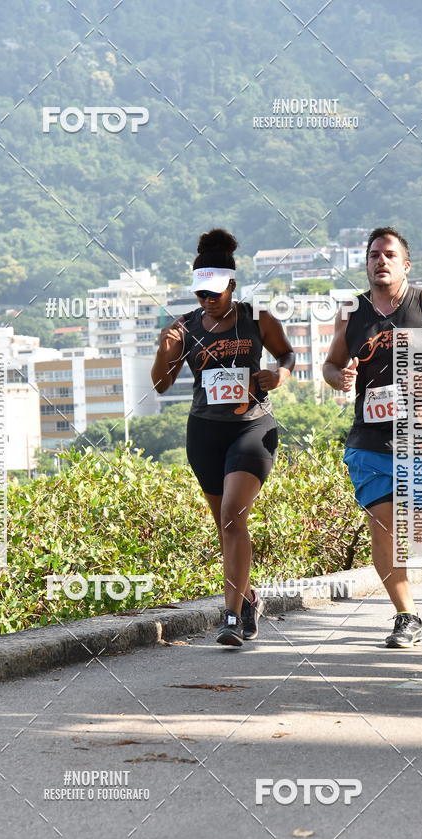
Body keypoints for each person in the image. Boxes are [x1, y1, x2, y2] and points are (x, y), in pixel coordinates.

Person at [323, 226, 422, 648]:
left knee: (420, 535)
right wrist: (341, 377)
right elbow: (331, 366)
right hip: (369, 442)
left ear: (405, 264)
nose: (381, 260)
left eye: (389, 254)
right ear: (366, 262)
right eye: (374, 254)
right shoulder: (351, 312)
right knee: (384, 528)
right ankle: (406, 616)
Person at [151, 228, 295, 646]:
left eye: (214, 293)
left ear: (232, 285)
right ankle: (248, 598)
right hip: (205, 432)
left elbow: (286, 353)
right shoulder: (185, 328)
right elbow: (161, 385)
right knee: (227, 526)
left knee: (233, 515)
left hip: (253, 427)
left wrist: (280, 374)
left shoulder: (258, 319)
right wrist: (165, 350)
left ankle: (230, 617)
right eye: (200, 294)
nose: (207, 301)